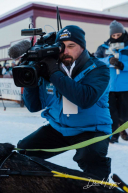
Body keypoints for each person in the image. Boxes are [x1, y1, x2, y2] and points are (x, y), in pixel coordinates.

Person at [17, 25, 112, 180]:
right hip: (59, 128)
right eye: (61, 46)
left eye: (71, 46)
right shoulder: (50, 68)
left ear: (82, 47)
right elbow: (34, 106)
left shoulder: (99, 68)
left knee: (91, 160)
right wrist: (31, 78)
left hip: (91, 129)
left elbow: (85, 99)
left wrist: (54, 73)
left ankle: (101, 187)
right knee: (24, 151)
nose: (65, 51)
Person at [95, 20, 128, 143]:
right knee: (111, 114)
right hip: (109, 87)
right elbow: (95, 61)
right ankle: (114, 134)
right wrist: (108, 61)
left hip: (125, 87)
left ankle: (122, 127)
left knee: (125, 115)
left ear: (123, 33)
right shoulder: (103, 48)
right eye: (113, 35)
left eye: (118, 35)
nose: (115, 37)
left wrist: (122, 65)